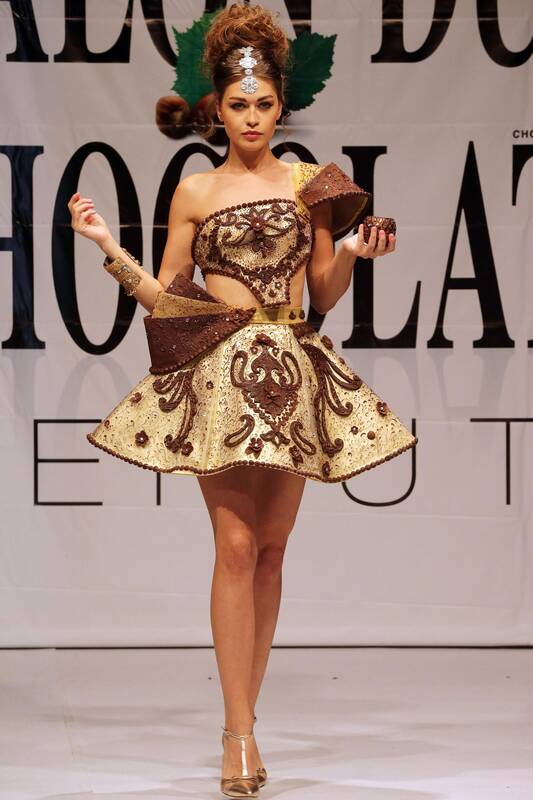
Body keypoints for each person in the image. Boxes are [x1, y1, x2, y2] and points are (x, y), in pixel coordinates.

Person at [67, 2, 417, 795]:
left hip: (292, 371)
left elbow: (321, 292)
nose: (252, 117)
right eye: (237, 104)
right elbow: (170, 301)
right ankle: (237, 736)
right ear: (216, 110)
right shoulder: (194, 190)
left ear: (280, 106)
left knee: (271, 551)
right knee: (233, 546)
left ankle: (245, 719)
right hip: (219, 374)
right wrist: (107, 247)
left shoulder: (311, 183)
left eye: (263, 104)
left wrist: (353, 251)